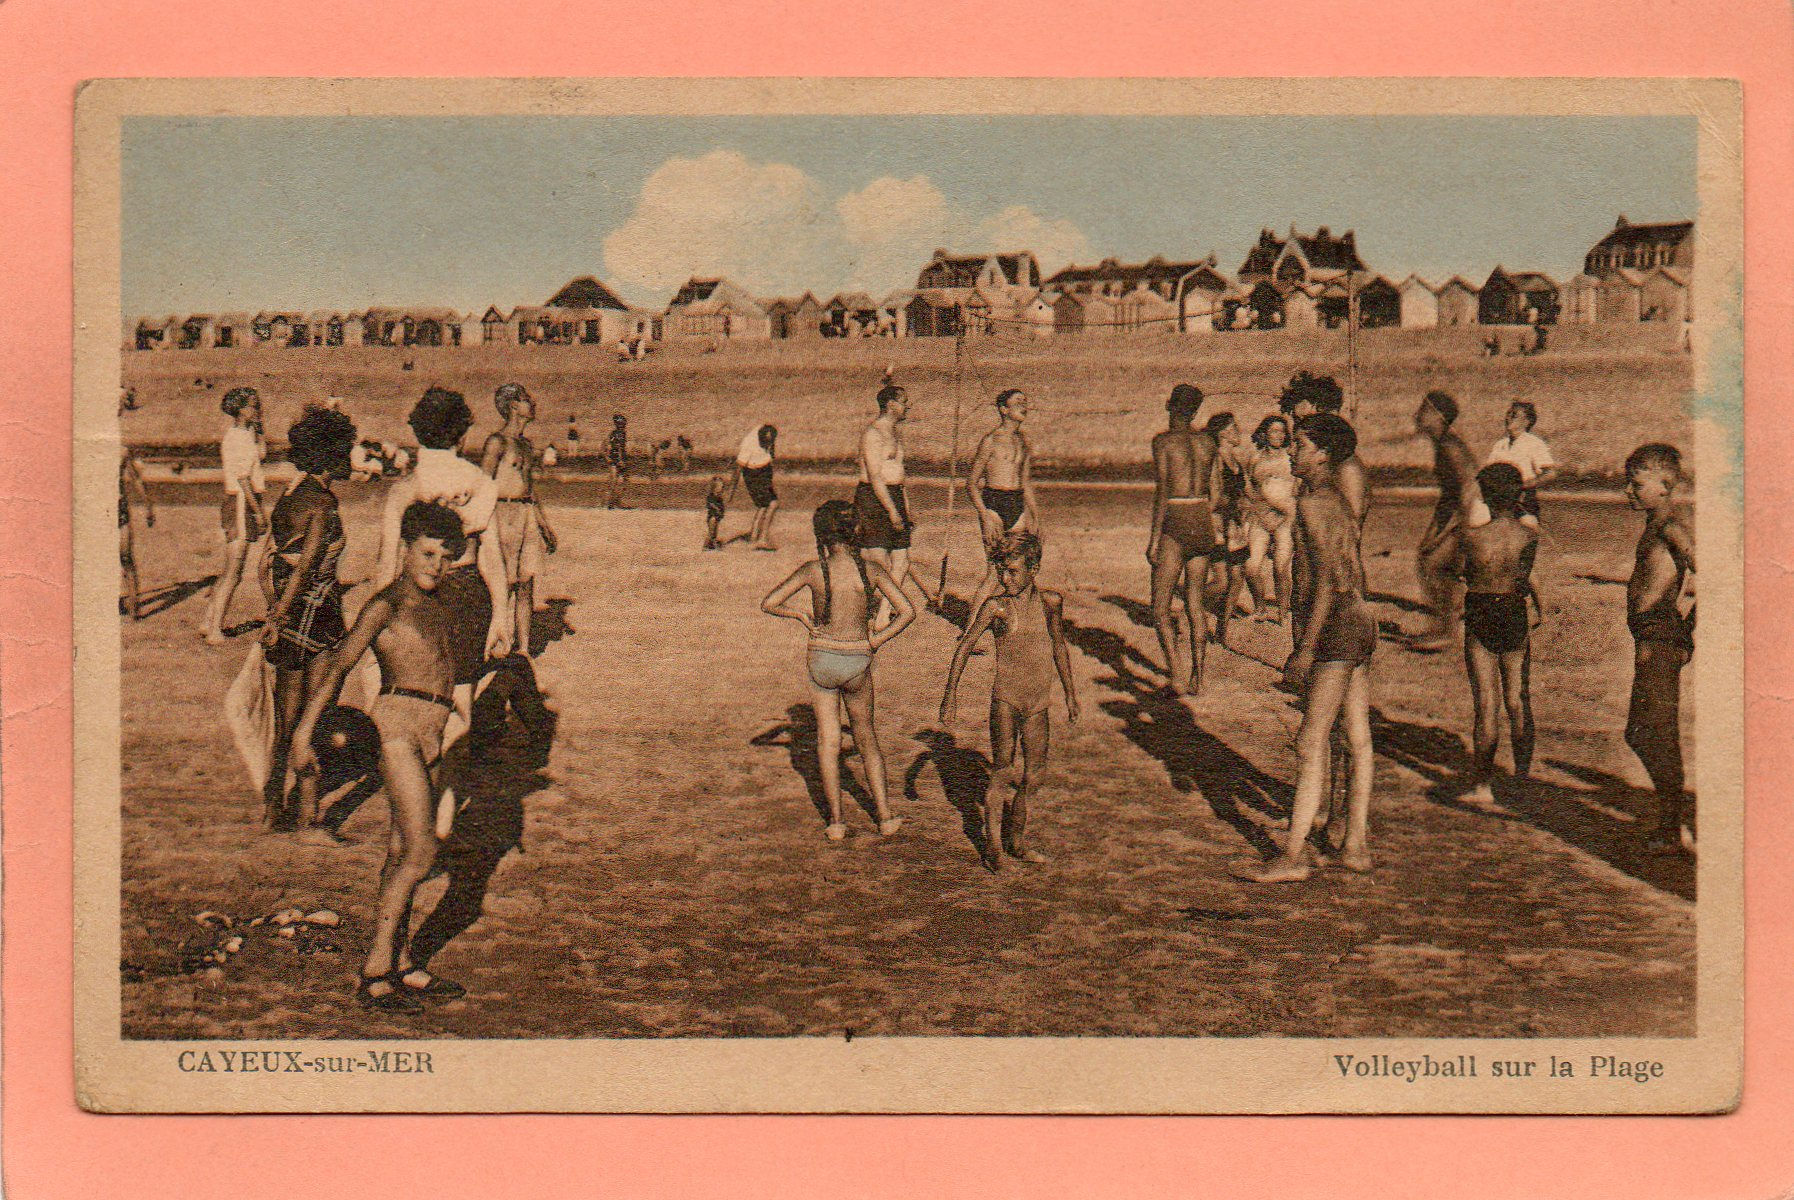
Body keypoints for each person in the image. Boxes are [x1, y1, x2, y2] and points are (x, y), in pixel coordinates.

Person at [293, 501, 471, 1014]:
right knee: (422, 851)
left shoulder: (443, 605)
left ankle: (400, 962)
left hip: (435, 730)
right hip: (396, 730)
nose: (435, 565)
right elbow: (338, 665)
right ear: (405, 550)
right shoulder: (385, 605)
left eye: (444, 556)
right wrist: (304, 735)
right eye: (427, 553)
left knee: (400, 849)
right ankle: (375, 967)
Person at [1238, 414, 1375, 882]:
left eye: (1300, 444)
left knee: (1309, 741)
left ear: (1322, 454)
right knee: (1356, 737)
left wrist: (1305, 648)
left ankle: (1293, 856)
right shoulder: (1336, 499)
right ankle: (1355, 844)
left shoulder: (1316, 502)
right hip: (1360, 618)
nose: (1292, 451)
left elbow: (1326, 585)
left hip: (1337, 622)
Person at [760, 500, 915, 840]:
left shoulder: (813, 569)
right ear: (854, 532)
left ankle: (836, 823)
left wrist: (802, 616)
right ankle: (885, 817)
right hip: (858, 658)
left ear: (822, 535)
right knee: (866, 739)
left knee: (827, 743)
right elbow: (907, 611)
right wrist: (876, 641)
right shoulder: (871, 569)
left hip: (822, 660)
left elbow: (769, 603)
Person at [376, 387, 512, 756]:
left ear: (418, 433)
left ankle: (415, 784)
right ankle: (445, 804)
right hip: (468, 589)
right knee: (460, 701)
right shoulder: (482, 483)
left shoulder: (405, 488)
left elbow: (387, 561)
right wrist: (502, 614)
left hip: (417, 593)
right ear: (463, 434)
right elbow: (493, 555)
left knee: (410, 695)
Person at [939, 531, 1079, 872]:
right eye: (1001, 570)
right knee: (1002, 772)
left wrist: (1071, 694)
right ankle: (994, 848)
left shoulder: (1051, 603)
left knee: (1035, 776)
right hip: (1006, 700)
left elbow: (1059, 646)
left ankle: (1017, 841)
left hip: (1038, 703)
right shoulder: (996, 607)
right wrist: (950, 695)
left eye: (1013, 571)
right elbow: (965, 646)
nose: (1005, 578)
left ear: (1034, 569)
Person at [258, 405, 356, 833]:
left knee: (284, 725)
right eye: (346, 451)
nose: (351, 460)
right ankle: (308, 818)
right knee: (315, 722)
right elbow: (310, 564)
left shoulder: (288, 499)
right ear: (331, 456)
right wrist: (280, 614)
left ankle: (270, 811)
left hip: (288, 618)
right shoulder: (324, 502)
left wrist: (274, 612)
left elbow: (269, 564)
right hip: (320, 619)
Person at [1623, 443, 1696, 855]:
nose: (1627, 492)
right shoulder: (1655, 522)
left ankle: (1673, 827)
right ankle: (1673, 822)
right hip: (1651, 638)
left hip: (1660, 639)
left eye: (1635, 484)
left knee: (1653, 733)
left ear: (1665, 485)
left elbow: (1711, 570)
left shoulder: (1670, 525)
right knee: (1642, 732)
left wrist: (1689, 628)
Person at [1456, 463, 1542, 809]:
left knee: (1486, 704)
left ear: (1485, 496)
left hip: (1480, 611)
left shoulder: (1471, 536)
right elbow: (1524, 575)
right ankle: (1522, 780)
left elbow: (1463, 572)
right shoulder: (1529, 536)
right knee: (1517, 699)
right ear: (1519, 495)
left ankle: (1483, 786)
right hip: (1513, 611)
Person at [1146, 383, 1224, 695]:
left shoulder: (1163, 442)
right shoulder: (1208, 442)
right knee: (1195, 602)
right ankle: (1199, 677)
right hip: (1202, 517)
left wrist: (1154, 538)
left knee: (1160, 605)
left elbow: (1163, 489)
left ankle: (1177, 675)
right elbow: (1216, 493)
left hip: (1176, 519)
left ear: (1169, 406)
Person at [481, 383, 558, 657]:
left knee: (527, 581)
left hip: (525, 514)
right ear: (513, 406)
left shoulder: (526, 445)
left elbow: (530, 489)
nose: (532, 404)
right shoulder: (496, 443)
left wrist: (544, 523)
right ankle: (496, 641)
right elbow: (483, 484)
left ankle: (523, 648)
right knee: (501, 582)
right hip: (501, 514)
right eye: (527, 400)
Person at [965, 389, 1039, 632]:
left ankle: (1016, 622)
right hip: (994, 502)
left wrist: (1035, 517)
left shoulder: (1024, 442)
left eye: (1025, 402)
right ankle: (969, 631)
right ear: (1003, 409)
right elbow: (972, 483)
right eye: (1018, 402)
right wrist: (984, 515)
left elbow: (1026, 483)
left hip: (1016, 503)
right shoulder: (990, 440)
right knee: (994, 572)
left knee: (1022, 567)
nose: (1024, 406)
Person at [202, 387, 270, 644]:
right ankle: (214, 630)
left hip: (243, 500)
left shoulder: (245, 434)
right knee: (234, 571)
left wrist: (261, 431)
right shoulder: (236, 438)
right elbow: (242, 479)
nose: (258, 410)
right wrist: (259, 512)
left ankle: (209, 620)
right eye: (254, 406)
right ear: (240, 410)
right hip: (242, 502)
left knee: (229, 568)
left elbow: (261, 456)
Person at [1413, 390, 1480, 650]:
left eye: (1424, 409)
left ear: (1438, 416)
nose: (1417, 414)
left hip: (1466, 515)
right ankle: (1445, 627)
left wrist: (1459, 528)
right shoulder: (1443, 444)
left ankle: (1444, 631)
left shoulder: (1449, 446)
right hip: (1456, 513)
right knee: (1430, 562)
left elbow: (1468, 488)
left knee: (1432, 565)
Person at [856, 382, 919, 625]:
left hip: (895, 495)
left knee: (902, 560)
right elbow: (875, 477)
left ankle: (884, 612)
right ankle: (866, 609)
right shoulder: (873, 433)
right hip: (873, 498)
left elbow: (897, 473)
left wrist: (905, 506)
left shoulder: (894, 433)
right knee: (878, 560)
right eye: (904, 402)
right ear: (891, 405)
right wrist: (891, 510)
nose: (908, 406)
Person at [1243, 415, 1296, 625]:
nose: (1278, 435)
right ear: (1264, 433)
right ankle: (1261, 608)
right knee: (1252, 567)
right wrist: (1257, 508)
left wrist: (1288, 512)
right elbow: (1248, 488)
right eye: (1274, 431)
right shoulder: (1254, 458)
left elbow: (1299, 487)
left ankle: (1283, 611)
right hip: (1260, 516)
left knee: (1281, 568)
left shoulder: (1291, 456)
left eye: (1282, 431)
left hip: (1286, 517)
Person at [1205, 411, 1249, 642]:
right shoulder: (1216, 460)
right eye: (1233, 429)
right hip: (1219, 526)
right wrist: (1238, 503)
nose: (1238, 432)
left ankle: (1222, 626)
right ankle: (1192, 610)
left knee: (1238, 577)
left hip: (1235, 526)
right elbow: (1214, 499)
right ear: (1221, 434)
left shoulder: (1237, 461)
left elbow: (1242, 493)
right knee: (1222, 581)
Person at [1486, 400, 1557, 532]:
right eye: (1507, 414)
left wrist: (1524, 485)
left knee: (1527, 531)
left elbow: (1550, 473)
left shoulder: (1535, 443)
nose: (1507, 418)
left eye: (1513, 415)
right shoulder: (1499, 445)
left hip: (1523, 501)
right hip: (1497, 500)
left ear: (1527, 421)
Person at [730, 424, 781, 551]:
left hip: (764, 468)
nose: (767, 446)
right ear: (759, 439)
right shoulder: (748, 444)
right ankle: (762, 539)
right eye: (765, 444)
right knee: (772, 504)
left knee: (764, 505)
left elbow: (771, 445)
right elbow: (737, 469)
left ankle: (753, 536)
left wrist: (771, 457)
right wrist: (731, 492)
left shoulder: (767, 432)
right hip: (752, 473)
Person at [118, 446, 155, 620]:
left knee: (125, 556)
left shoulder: (122, 451)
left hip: (119, 507)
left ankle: (134, 605)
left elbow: (136, 479)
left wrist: (148, 506)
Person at [605, 413, 630, 509]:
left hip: (613, 458)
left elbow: (607, 445)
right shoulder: (621, 434)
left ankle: (611, 502)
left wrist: (607, 456)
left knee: (614, 480)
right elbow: (619, 447)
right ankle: (615, 501)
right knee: (620, 480)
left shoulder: (613, 433)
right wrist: (620, 460)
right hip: (618, 459)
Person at [704, 474, 727, 550]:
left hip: (717, 517)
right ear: (714, 488)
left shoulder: (719, 498)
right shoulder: (711, 496)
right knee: (711, 532)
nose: (722, 489)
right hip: (712, 517)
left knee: (715, 531)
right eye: (720, 487)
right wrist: (716, 508)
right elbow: (709, 504)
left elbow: (722, 506)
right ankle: (708, 544)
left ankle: (712, 543)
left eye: (722, 487)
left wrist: (721, 512)